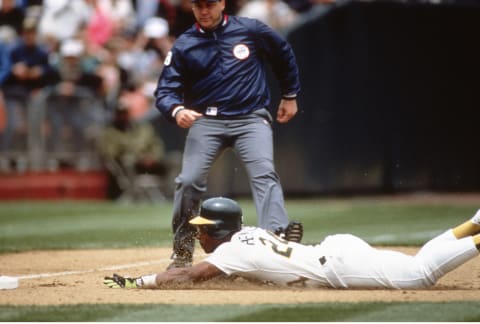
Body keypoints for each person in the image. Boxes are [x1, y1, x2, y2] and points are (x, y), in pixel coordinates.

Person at [153, 0, 302, 269]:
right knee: (188, 181)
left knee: (264, 174)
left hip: (251, 118)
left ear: (222, 3)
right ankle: (182, 251)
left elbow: (283, 53)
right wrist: (176, 110)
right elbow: (165, 91)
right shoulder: (185, 44)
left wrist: (289, 95)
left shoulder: (251, 30)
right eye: (199, 6)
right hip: (206, 121)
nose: (204, 11)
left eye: (210, 4)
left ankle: (277, 242)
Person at [105, 197, 480, 290]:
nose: (198, 234)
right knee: (415, 264)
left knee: (420, 276)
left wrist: (136, 282)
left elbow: (189, 275)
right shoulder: (246, 233)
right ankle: (473, 223)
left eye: (203, 229)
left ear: (218, 231)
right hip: (335, 252)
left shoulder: (232, 252)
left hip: (336, 266)